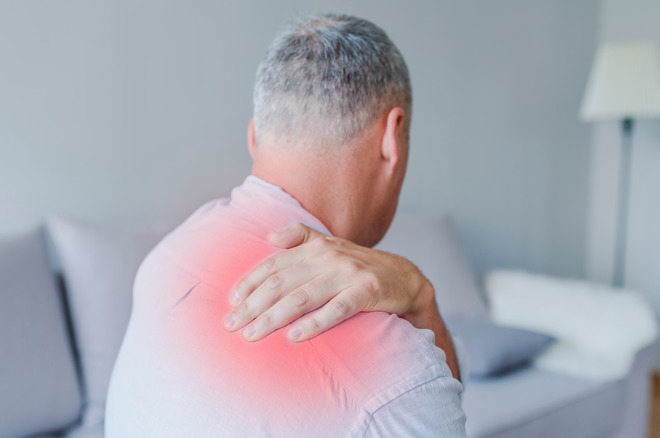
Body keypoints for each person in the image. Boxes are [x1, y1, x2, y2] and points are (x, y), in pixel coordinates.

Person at [106, 14, 467, 437]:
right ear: (392, 137)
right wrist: (421, 296)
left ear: (255, 136)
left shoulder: (166, 258)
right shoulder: (396, 380)